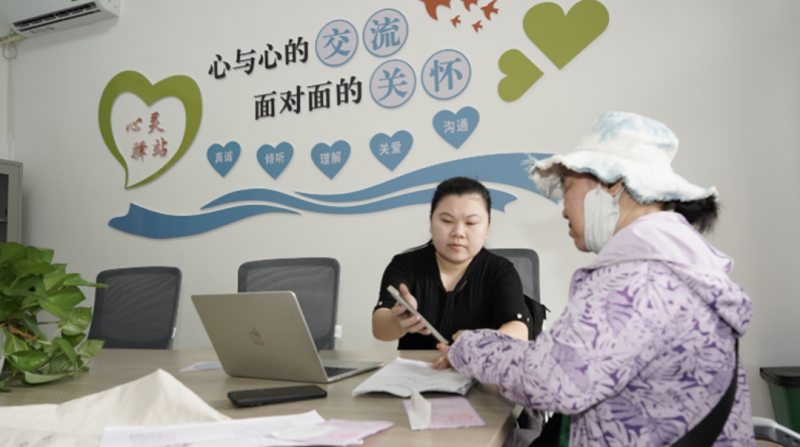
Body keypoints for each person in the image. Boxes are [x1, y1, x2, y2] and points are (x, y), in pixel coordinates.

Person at [443, 112, 754, 446]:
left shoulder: (636, 279)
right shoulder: (676, 263)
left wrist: (469, 348)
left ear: (611, 184)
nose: (564, 209)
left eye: (566, 188)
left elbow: (555, 377)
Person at [372, 176, 532, 369]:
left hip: (478, 374)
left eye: (471, 223)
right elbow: (379, 328)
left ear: (487, 228)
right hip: (416, 375)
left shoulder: (500, 271)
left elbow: (519, 331)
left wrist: (478, 345)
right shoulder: (405, 265)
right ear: (431, 222)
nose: (458, 232)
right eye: (447, 221)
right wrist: (397, 322)